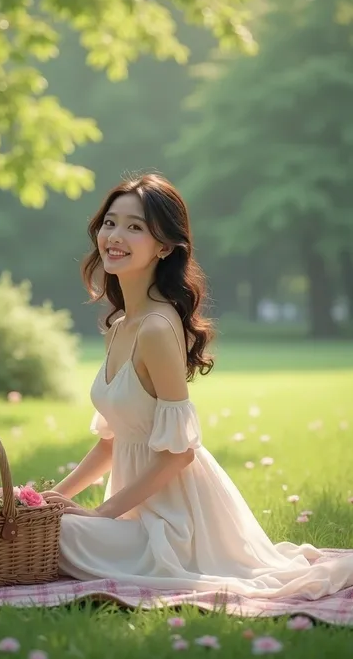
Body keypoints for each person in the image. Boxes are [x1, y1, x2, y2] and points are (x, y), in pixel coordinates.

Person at [42, 173, 353, 599]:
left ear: (164, 246)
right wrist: (46, 500)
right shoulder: (119, 325)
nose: (115, 236)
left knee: (57, 538)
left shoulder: (154, 328)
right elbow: (111, 443)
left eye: (136, 227)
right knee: (46, 527)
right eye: (111, 222)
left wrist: (101, 514)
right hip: (133, 513)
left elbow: (180, 454)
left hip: (174, 524)